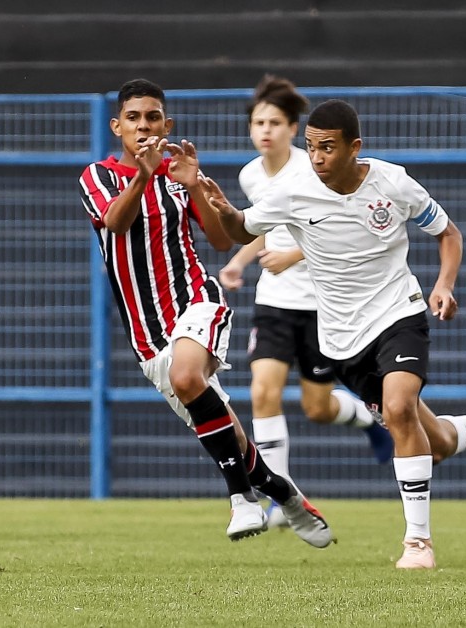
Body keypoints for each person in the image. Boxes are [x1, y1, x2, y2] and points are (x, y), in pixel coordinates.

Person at [200, 99, 466, 569]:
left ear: (355, 148)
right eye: (312, 147)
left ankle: (418, 544)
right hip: (342, 340)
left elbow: (449, 233)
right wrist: (224, 209)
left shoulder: (392, 182)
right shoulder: (293, 192)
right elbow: (242, 232)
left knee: (398, 407)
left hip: (399, 314)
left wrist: (443, 285)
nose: (318, 157)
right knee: (438, 445)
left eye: (328, 147)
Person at [78, 79, 332, 548]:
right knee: (231, 436)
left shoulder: (179, 176)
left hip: (196, 300)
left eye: (153, 117)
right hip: (148, 336)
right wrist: (143, 176)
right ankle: (285, 494)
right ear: (117, 127)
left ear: (167, 124)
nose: (144, 126)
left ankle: (240, 499)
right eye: (133, 118)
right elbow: (115, 222)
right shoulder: (99, 176)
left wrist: (195, 186)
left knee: (188, 375)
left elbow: (221, 241)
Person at [218, 76, 393, 527]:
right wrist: (240, 261)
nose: (265, 131)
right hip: (274, 303)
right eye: (258, 122)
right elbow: (264, 228)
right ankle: (281, 493)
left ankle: (370, 421)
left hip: (320, 303)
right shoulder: (250, 174)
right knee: (263, 391)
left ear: (294, 128)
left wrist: (295, 254)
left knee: (317, 407)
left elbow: (336, 226)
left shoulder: (313, 168)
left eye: (275, 122)